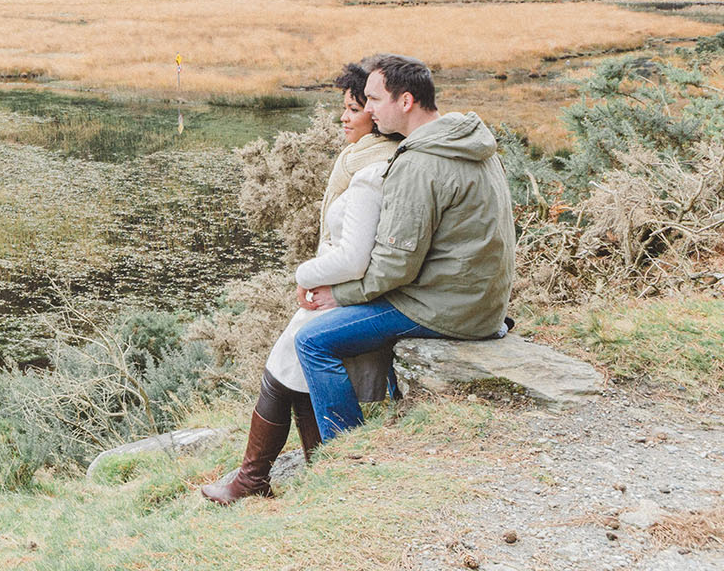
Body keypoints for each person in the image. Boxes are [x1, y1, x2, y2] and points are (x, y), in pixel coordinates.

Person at [202, 60, 400, 505]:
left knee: (281, 369)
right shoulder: (360, 159)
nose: (343, 119)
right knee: (293, 371)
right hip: (333, 286)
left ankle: (254, 479)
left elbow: (356, 253)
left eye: (353, 108)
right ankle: (317, 469)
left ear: (377, 112)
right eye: (344, 109)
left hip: (348, 290)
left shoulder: (376, 166)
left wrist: (307, 276)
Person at [292, 53, 515, 443]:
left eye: (375, 100)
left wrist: (337, 294)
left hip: (449, 309)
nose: (370, 110)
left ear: (406, 101)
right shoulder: (467, 139)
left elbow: (396, 267)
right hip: (483, 302)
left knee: (312, 340)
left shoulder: (419, 164)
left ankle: (346, 452)